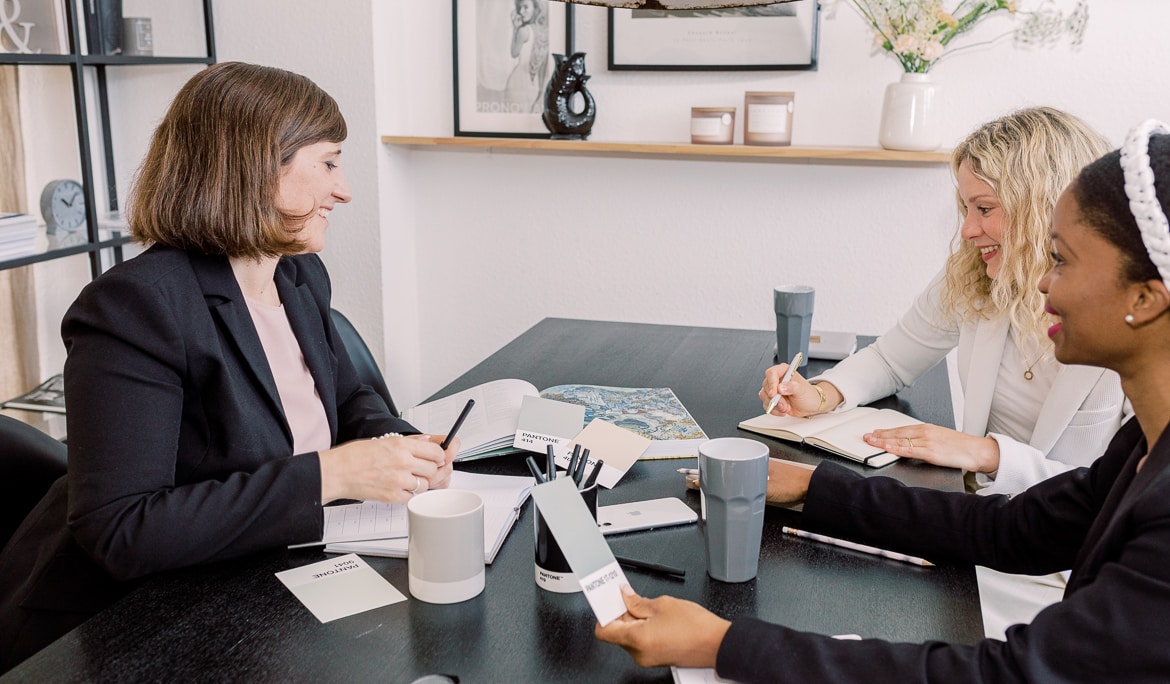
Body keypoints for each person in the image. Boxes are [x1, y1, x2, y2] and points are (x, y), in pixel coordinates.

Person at [597, 121, 1170, 681]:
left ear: (1145, 298)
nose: (1046, 282)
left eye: (1062, 260)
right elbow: (1010, 530)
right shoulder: (1140, 447)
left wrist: (725, 644)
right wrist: (809, 487)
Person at [0, 62, 457, 671]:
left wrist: (398, 444)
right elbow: (121, 530)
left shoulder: (295, 272)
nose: (343, 189)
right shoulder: (137, 306)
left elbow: (348, 400)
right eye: (327, 162)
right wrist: (331, 475)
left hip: (258, 573)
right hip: (128, 625)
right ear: (253, 166)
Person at [759, 107, 1126, 636]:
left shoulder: (1129, 324)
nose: (968, 228)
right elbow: (891, 356)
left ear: (1046, 207)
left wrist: (988, 453)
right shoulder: (976, 275)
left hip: (1065, 564)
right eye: (964, 207)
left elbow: (1118, 496)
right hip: (981, 529)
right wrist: (821, 392)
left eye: (984, 207)